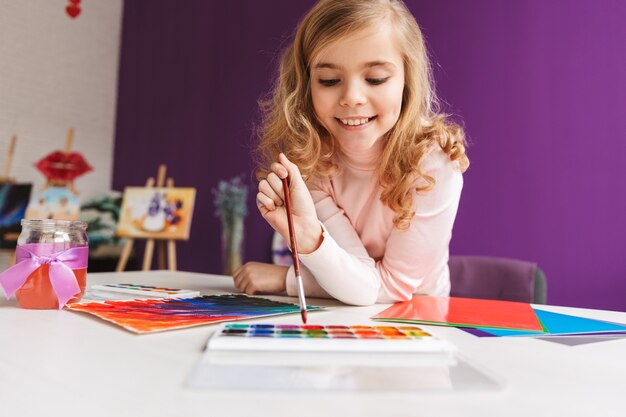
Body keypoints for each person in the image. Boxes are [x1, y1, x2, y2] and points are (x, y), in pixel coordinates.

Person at [233, 0, 469, 306]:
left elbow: (389, 288)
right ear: (306, 86)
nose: (352, 98)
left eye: (375, 79)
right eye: (329, 81)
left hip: (418, 316)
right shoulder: (311, 161)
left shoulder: (433, 164)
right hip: (340, 308)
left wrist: (287, 278)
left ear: (407, 81)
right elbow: (362, 285)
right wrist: (310, 240)